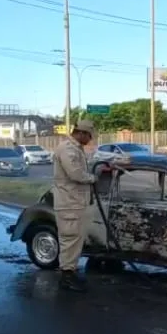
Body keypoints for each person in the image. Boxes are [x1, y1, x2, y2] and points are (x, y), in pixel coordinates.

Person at [51, 119, 97, 292]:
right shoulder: (68, 149)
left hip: (75, 203)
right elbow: (75, 173)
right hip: (68, 203)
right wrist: (92, 178)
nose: (90, 140)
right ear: (82, 133)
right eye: (89, 136)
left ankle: (70, 272)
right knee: (70, 240)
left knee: (75, 240)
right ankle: (66, 277)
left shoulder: (76, 148)